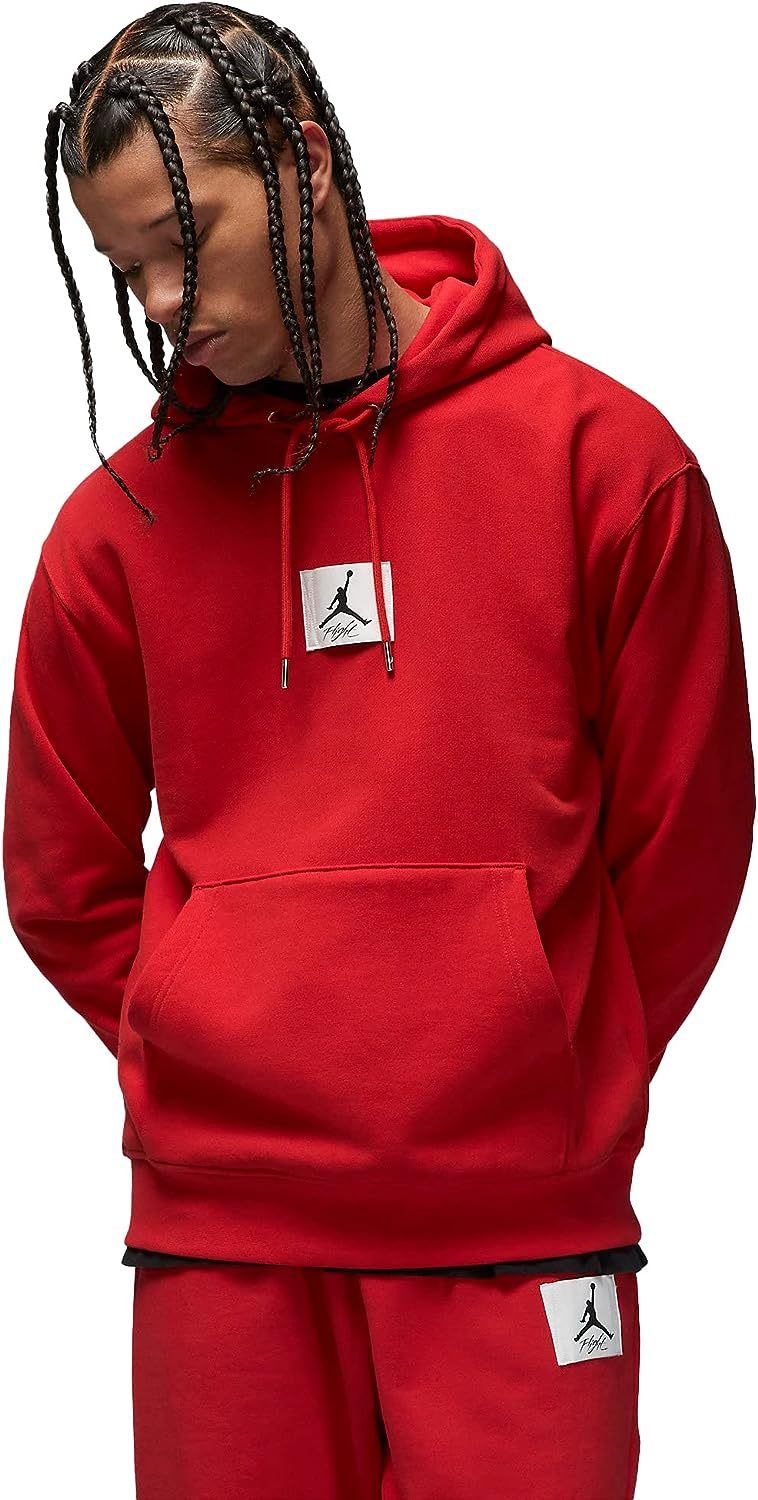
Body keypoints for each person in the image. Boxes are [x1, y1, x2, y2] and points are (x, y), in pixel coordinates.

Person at [2, 5, 754, 1498]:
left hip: (524, 1226)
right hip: (225, 1236)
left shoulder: (604, 464)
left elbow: (687, 835)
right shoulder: (113, 531)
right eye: (125, 270)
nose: (162, 302)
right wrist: (213, 1036)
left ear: (298, 160)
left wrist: (546, 1063)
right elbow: (57, 871)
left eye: (180, 241)